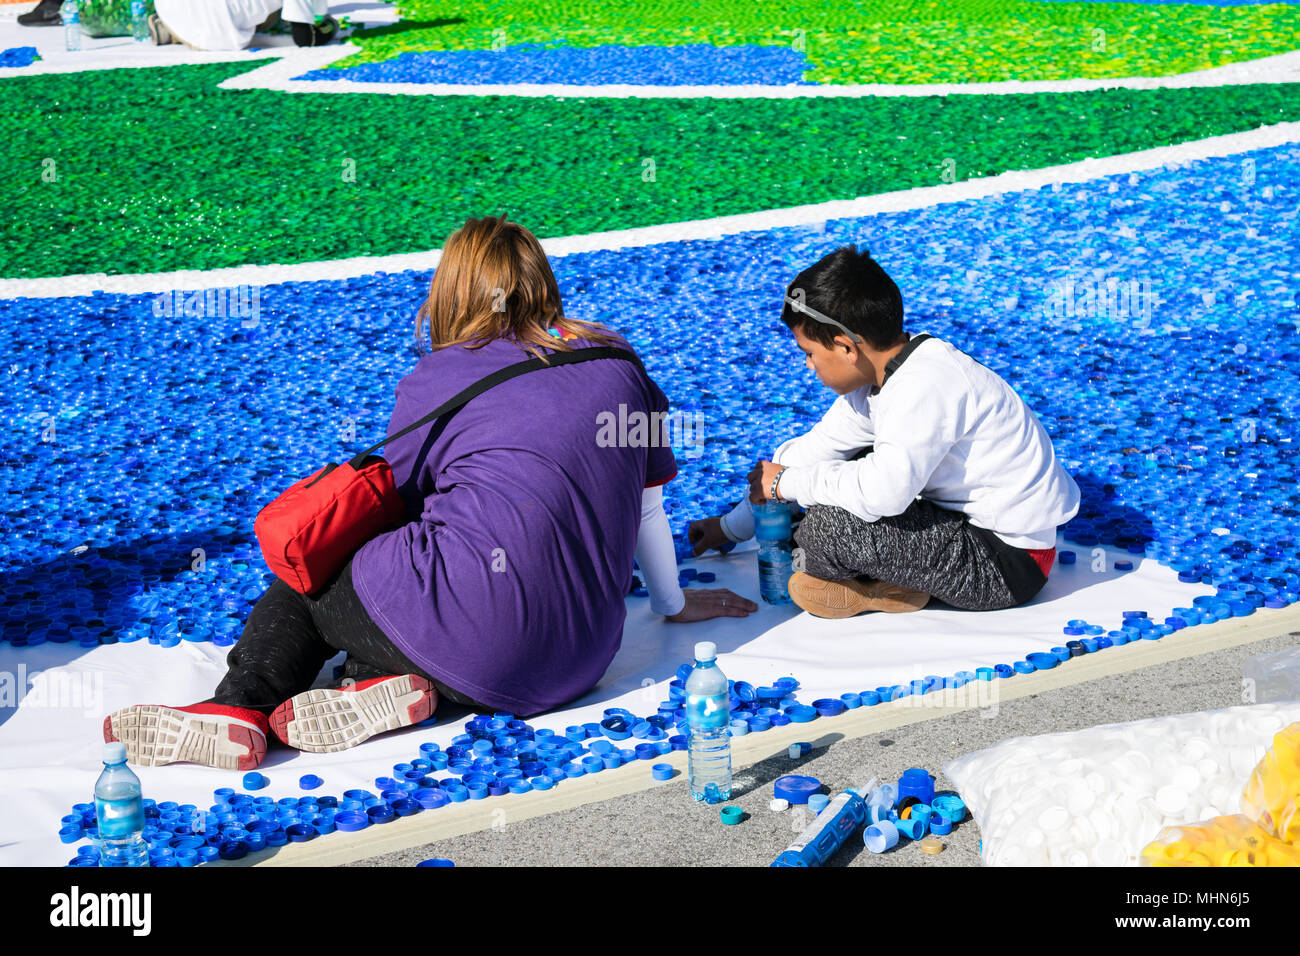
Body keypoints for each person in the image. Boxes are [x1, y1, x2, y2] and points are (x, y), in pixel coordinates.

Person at [104, 215, 756, 770]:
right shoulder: (617, 361)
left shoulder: (441, 375)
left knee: (316, 569)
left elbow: (396, 504)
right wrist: (670, 603)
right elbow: (646, 506)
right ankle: (383, 682)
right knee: (435, 590)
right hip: (580, 660)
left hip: (478, 634)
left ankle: (240, 705)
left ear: (451, 292)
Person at [689, 244, 1080, 618]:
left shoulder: (924, 385)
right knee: (832, 471)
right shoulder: (883, 375)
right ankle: (888, 579)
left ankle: (880, 587)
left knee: (826, 530)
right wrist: (731, 527)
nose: (809, 367)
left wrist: (788, 486)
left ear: (845, 347)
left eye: (809, 353)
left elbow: (884, 493)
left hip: (1006, 563)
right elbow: (809, 454)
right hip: (959, 528)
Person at [147, 0, 337, 49]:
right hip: (217, 33)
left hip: (169, 10)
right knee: (273, 15)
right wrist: (331, 27)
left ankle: (170, 31)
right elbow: (306, 38)